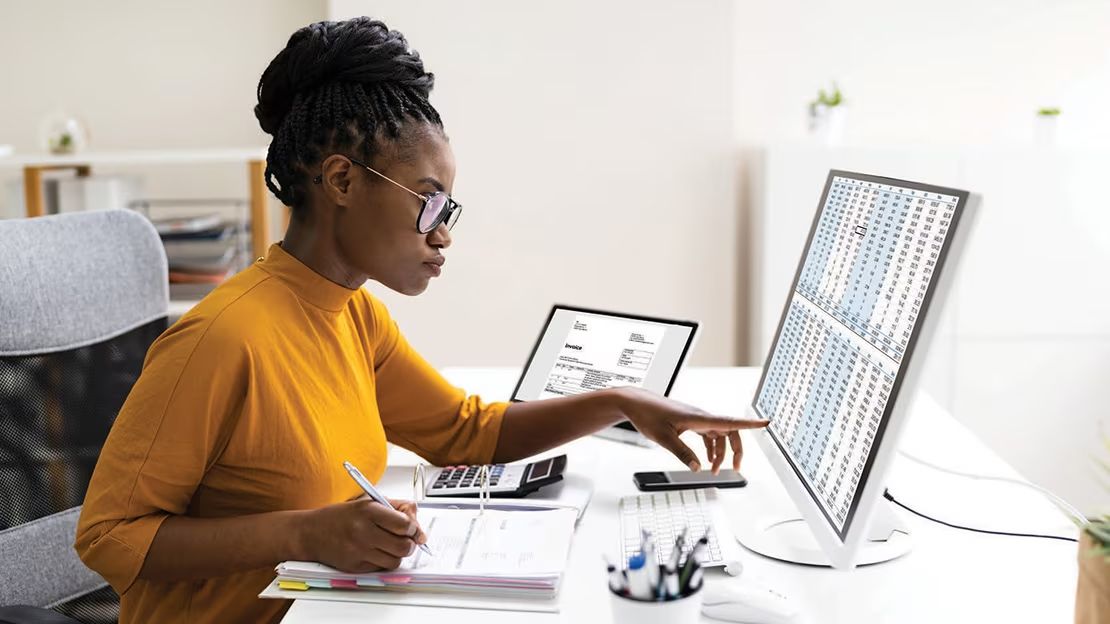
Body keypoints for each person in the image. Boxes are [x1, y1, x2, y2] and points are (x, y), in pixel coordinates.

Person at [75, 17, 768, 624]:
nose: (443, 236)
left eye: (450, 211)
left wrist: (622, 403)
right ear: (343, 182)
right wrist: (306, 533)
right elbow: (109, 538)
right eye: (430, 203)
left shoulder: (357, 317)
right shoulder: (221, 340)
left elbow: (468, 434)